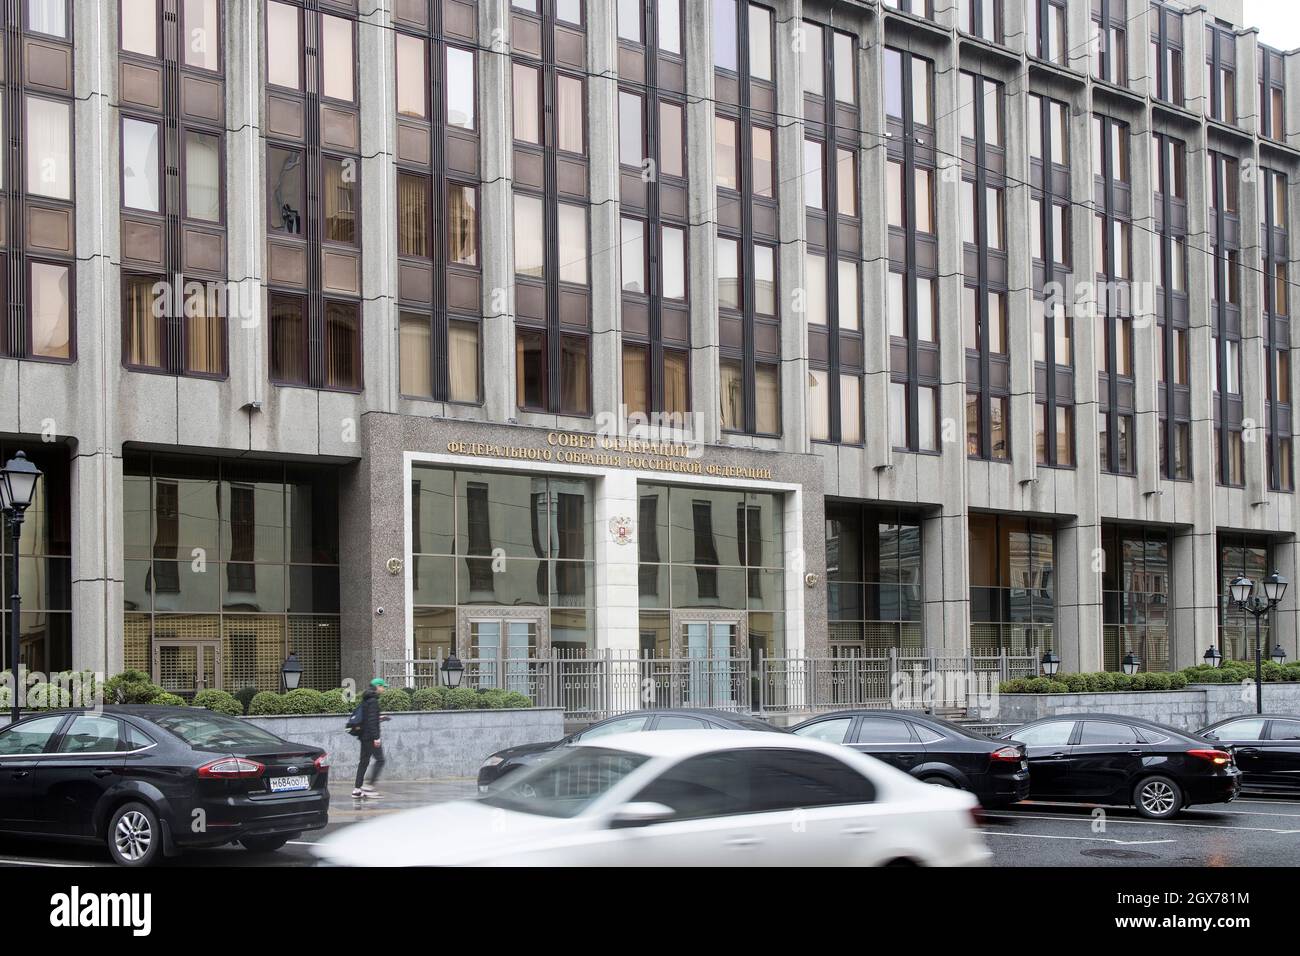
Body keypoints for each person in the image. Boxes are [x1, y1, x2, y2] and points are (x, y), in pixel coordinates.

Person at [352, 677, 389, 798]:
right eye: (383, 687)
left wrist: (380, 717)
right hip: (371, 737)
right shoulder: (373, 700)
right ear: (377, 686)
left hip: (364, 736)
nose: (383, 689)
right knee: (380, 760)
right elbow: (372, 721)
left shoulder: (366, 699)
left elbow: (368, 718)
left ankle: (357, 789)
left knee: (363, 762)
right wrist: (376, 738)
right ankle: (369, 786)